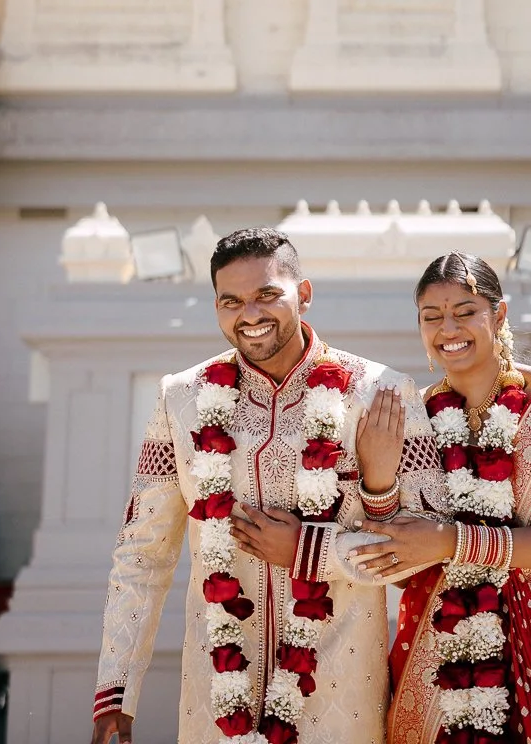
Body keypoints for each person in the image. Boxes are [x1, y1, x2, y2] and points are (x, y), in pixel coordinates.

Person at [91, 226, 447, 744]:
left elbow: (425, 553)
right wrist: (115, 690)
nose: (249, 315)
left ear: (303, 294)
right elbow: (141, 553)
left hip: (338, 695)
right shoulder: (181, 400)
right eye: (230, 301)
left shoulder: (381, 393)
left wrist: (311, 546)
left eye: (266, 295)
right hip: (216, 696)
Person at [350, 251, 531, 744]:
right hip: (440, 646)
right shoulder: (416, 418)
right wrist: (378, 479)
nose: (447, 328)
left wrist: (450, 542)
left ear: (499, 315)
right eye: (431, 317)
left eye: (464, 312)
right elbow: (398, 555)